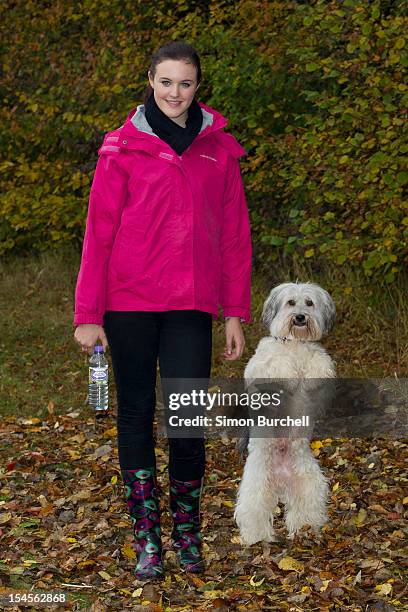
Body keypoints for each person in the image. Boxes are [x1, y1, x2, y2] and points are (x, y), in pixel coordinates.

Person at [73, 41, 252, 580]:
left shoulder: (217, 149)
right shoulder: (120, 149)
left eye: (187, 84)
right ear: (150, 80)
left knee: (187, 420)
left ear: (199, 88)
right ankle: (147, 536)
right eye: (166, 82)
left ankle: (186, 532)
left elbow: (236, 236)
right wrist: (88, 312)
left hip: (191, 306)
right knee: (135, 412)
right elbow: (98, 234)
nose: (175, 93)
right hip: (128, 303)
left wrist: (234, 310)